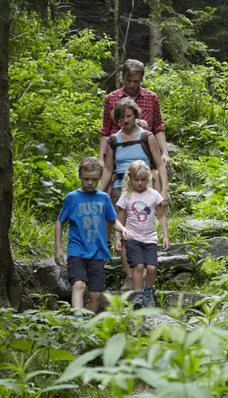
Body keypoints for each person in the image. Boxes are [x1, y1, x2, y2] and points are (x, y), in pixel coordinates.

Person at [101, 98, 168, 289]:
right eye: (121, 117)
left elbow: (160, 164)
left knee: (144, 223)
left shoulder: (147, 136)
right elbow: (107, 169)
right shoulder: (113, 140)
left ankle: (145, 278)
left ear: (136, 115)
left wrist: (163, 190)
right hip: (120, 187)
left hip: (145, 187)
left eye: (129, 116)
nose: (126, 120)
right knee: (124, 229)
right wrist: (99, 193)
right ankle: (129, 276)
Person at [55, 157, 134, 314]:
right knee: (79, 285)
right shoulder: (72, 197)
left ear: (99, 179)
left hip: (97, 251)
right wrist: (58, 248)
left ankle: (89, 323)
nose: (90, 183)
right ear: (80, 176)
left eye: (94, 180)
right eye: (86, 179)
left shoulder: (103, 198)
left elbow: (112, 220)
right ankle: (77, 322)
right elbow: (59, 221)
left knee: (96, 294)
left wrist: (123, 229)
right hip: (76, 250)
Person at [100, 58, 168, 183]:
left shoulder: (151, 98)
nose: (132, 85)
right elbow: (105, 131)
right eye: (129, 80)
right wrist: (101, 158)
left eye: (136, 81)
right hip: (117, 155)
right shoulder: (111, 98)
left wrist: (164, 152)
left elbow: (158, 128)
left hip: (145, 155)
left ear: (141, 79)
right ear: (123, 77)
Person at [115, 160, 169, 308]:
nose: (139, 183)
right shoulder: (126, 196)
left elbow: (161, 216)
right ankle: (137, 296)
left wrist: (165, 236)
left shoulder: (153, 195)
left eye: (143, 180)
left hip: (150, 238)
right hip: (132, 237)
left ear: (148, 179)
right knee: (138, 266)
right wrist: (118, 238)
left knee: (151, 268)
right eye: (136, 180)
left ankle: (148, 292)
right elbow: (119, 218)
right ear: (130, 179)